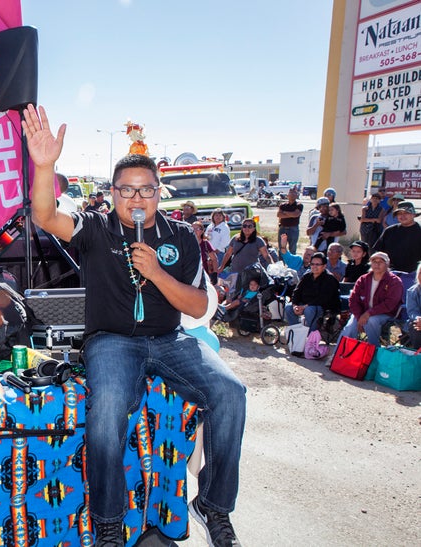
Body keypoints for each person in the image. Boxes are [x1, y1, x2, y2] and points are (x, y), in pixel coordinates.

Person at [21, 104, 245, 547]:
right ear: (113, 192)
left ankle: (213, 506)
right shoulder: (95, 228)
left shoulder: (181, 237)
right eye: (127, 190)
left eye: (146, 191)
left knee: (230, 392)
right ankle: (108, 521)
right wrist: (44, 165)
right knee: (105, 415)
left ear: (159, 193)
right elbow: (45, 216)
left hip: (170, 340)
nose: (137, 199)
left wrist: (158, 275)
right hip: (111, 343)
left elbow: (199, 307)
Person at [340, 252, 403, 344]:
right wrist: (358, 316)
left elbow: (390, 303)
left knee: (372, 321)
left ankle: (373, 351)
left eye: (380, 262)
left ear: (387, 264)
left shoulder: (394, 281)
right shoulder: (363, 279)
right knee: (350, 327)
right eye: (374, 261)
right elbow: (353, 299)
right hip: (362, 313)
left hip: (386, 313)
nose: (377, 264)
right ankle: (340, 354)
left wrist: (368, 313)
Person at [284, 252, 340, 332]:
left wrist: (305, 306)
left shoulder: (330, 279)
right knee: (289, 308)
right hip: (305, 304)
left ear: (324, 266)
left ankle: (311, 336)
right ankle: (296, 334)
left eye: (317, 264)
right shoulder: (307, 275)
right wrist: (295, 305)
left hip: (322, 306)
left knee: (309, 310)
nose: (314, 267)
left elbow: (324, 298)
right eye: (312, 264)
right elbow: (297, 291)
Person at [218, 218, 272, 290]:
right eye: (244, 226)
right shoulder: (235, 238)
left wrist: (272, 266)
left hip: (251, 273)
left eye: (250, 226)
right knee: (234, 293)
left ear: (254, 228)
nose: (247, 228)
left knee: (249, 294)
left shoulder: (258, 240)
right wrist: (222, 267)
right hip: (235, 272)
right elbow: (228, 254)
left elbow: (266, 255)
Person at [372, 201, 421, 274]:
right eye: (399, 213)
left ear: (413, 214)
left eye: (406, 213)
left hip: (413, 275)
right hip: (389, 274)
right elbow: (378, 253)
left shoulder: (419, 232)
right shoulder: (389, 231)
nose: (402, 216)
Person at [277, 188, 303, 254]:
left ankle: (292, 263)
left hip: (293, 229)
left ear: (297, 195)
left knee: (292, 248)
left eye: (294, 193)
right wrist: (291, 214)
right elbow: (279, 214)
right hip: (283, 228)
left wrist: (285, 213)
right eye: (290, 193)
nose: (292, 195)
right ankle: (281, 262)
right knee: (281, 248)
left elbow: (296, 214)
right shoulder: (283, 205)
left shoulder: (299, 205)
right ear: (287, 195)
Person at [406, 263, 421, 350]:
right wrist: (419, 318)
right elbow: (412, 311)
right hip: (419, 322)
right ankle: (419, 355)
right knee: (414, 325)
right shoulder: (412, 291)